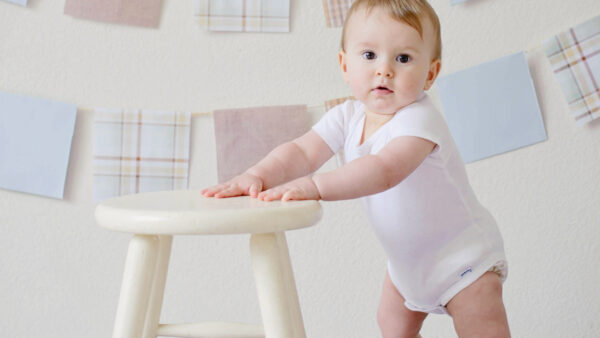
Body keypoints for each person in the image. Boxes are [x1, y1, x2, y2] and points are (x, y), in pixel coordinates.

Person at [202, 0, 510, 336]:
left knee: (481, 326)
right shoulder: (347, 117)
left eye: (403, 58)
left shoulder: (420, 121)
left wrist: (316, 187)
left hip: (462, 258)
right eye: (369, 56)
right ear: (344, 64)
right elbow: (301, 151)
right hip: (408, 265)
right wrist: (257, 175)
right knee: (391, 324)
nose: (384, 70)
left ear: (430, 74)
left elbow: (383, 169)